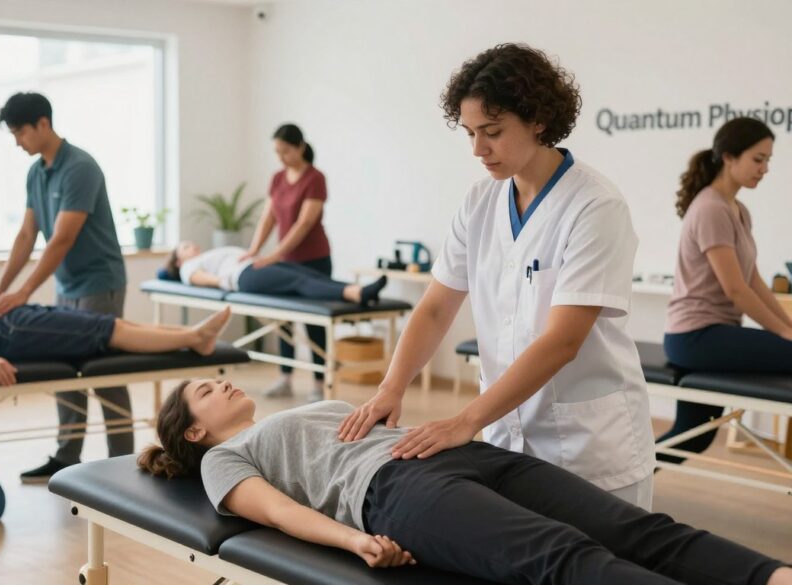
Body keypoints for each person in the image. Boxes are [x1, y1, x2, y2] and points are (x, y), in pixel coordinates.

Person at [338, 43, 656, 509]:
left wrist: (464, 421)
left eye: (492, 131)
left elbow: (563, 341)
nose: (478, 150)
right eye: (469, 133)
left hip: (588, 448)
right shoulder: (480, 202)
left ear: (539, 120)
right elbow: (435, 307)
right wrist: (391, 388)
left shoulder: (594, 205)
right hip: (505, 436)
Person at [137, 379, 791, 584]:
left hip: (457, 453)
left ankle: (772, 576)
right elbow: (278, 513)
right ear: (193, 431)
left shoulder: (287, 412)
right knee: (566, 558)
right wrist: (353, 542)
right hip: (395, 492)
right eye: (203, 391)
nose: (221, 383)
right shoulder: (226, 459)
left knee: (633, 526)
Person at [0, 92, 131, 483]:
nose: (18, 142)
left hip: (99, 282)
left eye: (20, 133)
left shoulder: (80, 168)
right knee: (66, 371)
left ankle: (125, 460)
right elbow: (26, 235)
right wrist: (3, 287)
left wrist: (25, 292)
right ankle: (67, 456)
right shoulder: (36, 173)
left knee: (104, 372)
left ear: (43, 124)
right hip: (67, 285)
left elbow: (62, 239)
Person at [657, 117, 792, 464]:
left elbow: (753, 280)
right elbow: (735, 289)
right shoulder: (711, 208)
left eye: (768, 160)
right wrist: (781, 331)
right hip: (696, 337)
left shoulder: (738, 210)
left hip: (713, 336)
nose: (764, 169)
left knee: (693, 437)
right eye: (758, 159)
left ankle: (616, 489)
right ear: (729, 157)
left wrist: (786, 325)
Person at [0, 290, 230, 384]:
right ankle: (195, 337)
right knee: (111, 331)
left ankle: (193, 335)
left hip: (8, 318)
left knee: (113, 325)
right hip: (3, 331)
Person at [244, 124, 333, 400]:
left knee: (314, 323)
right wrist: (254, 249)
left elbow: (305, 223)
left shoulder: (315, 178)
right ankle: (285, 378)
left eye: (285, 151)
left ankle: (319, 384)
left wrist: (274, 256)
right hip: (285, 261)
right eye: (277, 152)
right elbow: (268, 217)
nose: (281, 157)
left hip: (313, 260)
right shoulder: (278, 178)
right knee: (282, 320)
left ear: (300, 148)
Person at [165, 241, 388, 306]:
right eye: (185, 247)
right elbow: (199, 279)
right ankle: (355, 294)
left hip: (255, 265)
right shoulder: (187, 267)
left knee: (307, 273)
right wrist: (223, 281)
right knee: (299, 280)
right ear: (178, 260)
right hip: (243, 276)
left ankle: (360, 290)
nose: (192, 245)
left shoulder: (204, 256)